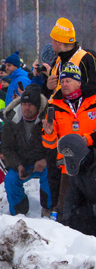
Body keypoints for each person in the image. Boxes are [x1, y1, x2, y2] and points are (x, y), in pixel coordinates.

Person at [42, 63, 96, 220]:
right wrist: (49, 132)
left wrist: (88, 139)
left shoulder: (93, 101)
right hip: (68, 166)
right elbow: (49, 144)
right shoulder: (54, 105)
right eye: (62, 81)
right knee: (67, 211)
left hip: (92, 162)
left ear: (79, 82)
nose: (64, 84)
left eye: (69, 81)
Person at [1, 84, 52, 216]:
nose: (26, 108)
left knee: (51, 174)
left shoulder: (47, 119)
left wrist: (45, 160)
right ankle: (18, 212)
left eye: (30, 104)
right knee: (10, 180)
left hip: (43, 162)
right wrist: (18, 165)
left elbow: (55, 144)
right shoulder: (11, 120)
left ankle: (48, 209)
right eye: (24, 104)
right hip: (21, 162)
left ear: (38, 106)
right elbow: (7, 148)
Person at [43, 17, 96, 98]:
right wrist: (48, 87)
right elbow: (48, 95)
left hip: (78, 109)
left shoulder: (86, 60)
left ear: (59, 42)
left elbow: (92, 91)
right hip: (56, 109)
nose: (51, 44)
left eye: (52, 40)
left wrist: (74, 87)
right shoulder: (57, 62)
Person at [57, 134, 96, 235]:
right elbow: (71, 197)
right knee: (76, 218)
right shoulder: (77, 172)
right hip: (90, 210)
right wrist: (66, 220)